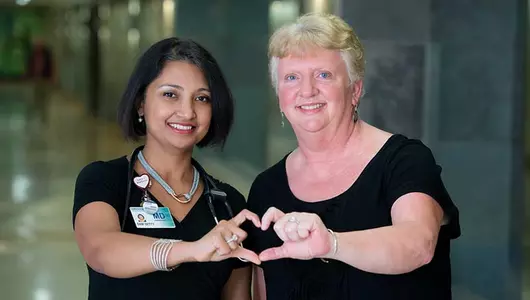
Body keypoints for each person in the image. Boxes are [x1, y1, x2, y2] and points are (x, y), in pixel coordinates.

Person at [244, 13, 461, 300]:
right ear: (279, 95)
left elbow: (417, 244)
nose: (307, 90)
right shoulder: (265, 188)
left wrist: (331, 244)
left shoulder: (404, 160)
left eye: (324, 75)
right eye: (292, 77)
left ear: (355, 90)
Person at [72, 37, 261, 300]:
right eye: (170, 94)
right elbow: (101, 251)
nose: (187, 112)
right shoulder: (104, 180)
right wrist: (191, 250)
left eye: (202, 98)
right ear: (141, 103)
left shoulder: (228, 205)